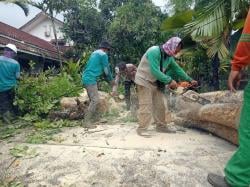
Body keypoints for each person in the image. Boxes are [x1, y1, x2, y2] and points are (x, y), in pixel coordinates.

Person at [207, 10, 250, 187]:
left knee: (248, 128)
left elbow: (248, 36)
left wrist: (237, 64)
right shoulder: (157, 53)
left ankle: (238, 180)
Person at [134, 37, 197, 136]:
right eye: (177, 49)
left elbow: (178, 69)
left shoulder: (169, 57)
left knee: (160, 106)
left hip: (155, 82)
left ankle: (161, 127)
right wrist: (169, 80)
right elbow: (155, 71)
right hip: (144, 80)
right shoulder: (154, 51)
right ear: (173, 46)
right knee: (146, 105)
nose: (178, 51)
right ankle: (142, 129)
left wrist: (190, 79)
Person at [82, 41, 114, 123]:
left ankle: (95, 118)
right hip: (90, 78)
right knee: (95, 100)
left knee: (92, 100)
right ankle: (86, 122)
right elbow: (106, 70)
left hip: (86, 77)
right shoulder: (103, 55)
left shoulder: (94, 53)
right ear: (106, 49)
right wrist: (111, 80)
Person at [0, 44, 20, 120]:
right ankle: (16, 117)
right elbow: (17, 77)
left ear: (5, 51)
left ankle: (7, 120)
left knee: (4, 104)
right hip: (13, 87)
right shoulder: (16, 63)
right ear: (13, 53)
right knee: (14, 103)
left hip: (1, 88)